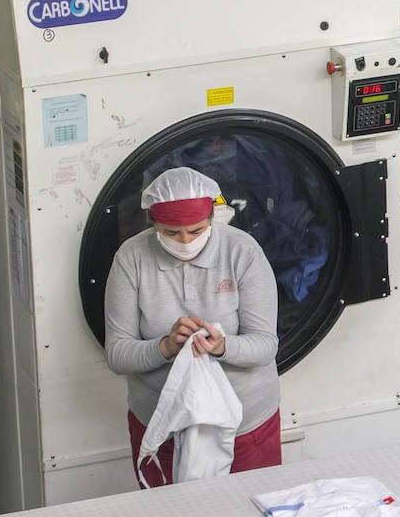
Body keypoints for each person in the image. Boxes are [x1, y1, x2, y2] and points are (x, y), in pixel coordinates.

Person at [104, 166, 282, 486]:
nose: (185, 241)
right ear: (153, 224)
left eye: (197, 230)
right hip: (163, 421)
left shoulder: (242, 251)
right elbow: (118, 354)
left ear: (213, 219)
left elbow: (266, 344)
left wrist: (223, 346)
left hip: (245, 421)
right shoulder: (131, 258)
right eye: (171, 233)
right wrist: (165, 346)